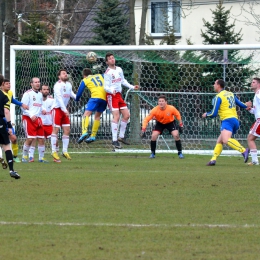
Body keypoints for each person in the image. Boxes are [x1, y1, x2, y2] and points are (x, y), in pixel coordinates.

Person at [202, 79, 250, 166]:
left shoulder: (218, 97)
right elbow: (241, 104)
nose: (213, 85)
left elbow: (214, 113)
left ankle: (243, 150)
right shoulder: (231, 93)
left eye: (214, 83)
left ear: (218, 85)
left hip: (227, 120)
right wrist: (247, 105)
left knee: (225, 140)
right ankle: (213, 159)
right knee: (220, 141)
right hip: (235, 120)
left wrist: (206, 114)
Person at [104, 52, 139, 149]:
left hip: (119, 95)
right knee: (116, 116)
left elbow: (123, 81)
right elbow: (105, 87)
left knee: (127, 115)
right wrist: (112, 90)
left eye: (113, 58)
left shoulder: (119, 69)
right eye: (110, 59)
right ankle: (114, 140)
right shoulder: (107, 73)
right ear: (107, 62)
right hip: (112, 95)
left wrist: (132, 87)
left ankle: (121, 137)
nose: (112, 59)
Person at [28, 84, 59, 162]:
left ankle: (56, 156)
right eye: (44, 89)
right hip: (39, 123)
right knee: (34, 139)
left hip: (49, 124)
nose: (46, 91)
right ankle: (31, 157)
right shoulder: (37, 100)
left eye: (47, 89)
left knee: (56, 140)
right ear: (41, 91)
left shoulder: (52, 100)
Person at [76, 68, 107, 144]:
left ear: (84, 75)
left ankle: (84, 132)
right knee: (97, 116)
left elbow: (79, 92)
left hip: (95, 97)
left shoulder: (85, 79)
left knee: (86, 114)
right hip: (104, 99)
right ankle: (93, 135)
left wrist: (77, 99)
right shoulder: (100, 75)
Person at [1, 78, 29, 163]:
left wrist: (21, 104)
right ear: (2, 85)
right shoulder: (1, 94)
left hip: (7, 119)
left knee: (14, 138)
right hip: (2, 118)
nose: (9, 85)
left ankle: (15, 156)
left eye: (9, 83)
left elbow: (12, 100)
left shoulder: (10, 92)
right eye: (7, 84)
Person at [51, 69, 76, 161]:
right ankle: (54, 151)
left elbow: (72, 95)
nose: (65, 74)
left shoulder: (69, 84)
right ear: (59, 76)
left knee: (67, 130)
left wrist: (78, 96)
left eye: (66, 73)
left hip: (64, 110)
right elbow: (59, 98)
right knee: (55, 130)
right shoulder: (57, 85)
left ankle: (64, 151)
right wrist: (64, 110)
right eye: (63, 73)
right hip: (57, 109)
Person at [21, 77, 47, 163]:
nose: (37, 83)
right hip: (28, 118)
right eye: (35, 82)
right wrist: (31, 114)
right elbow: (23, 107)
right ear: (31, 84)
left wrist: (43, 109)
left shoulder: (40, 94)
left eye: (38, 82)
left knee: (41, 138)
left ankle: (41, 158)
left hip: (38, 118)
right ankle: (24, 156)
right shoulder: (27, 94)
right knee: (30, 139)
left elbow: (40, 104)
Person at [0, 74, 20, 179]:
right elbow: (6, 111)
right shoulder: (3, 96)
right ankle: (11, 170)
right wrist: (9, 126)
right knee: (7, 146)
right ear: (2, 83)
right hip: (1, 122)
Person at [246, 77, 260, 166]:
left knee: (250, 138)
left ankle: (255, 161)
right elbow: (255, 111)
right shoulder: (256, 95)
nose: (252, 83)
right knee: (250, 138)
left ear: (259, 84)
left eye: (254, 82)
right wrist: (249, 108)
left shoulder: (259, 94)